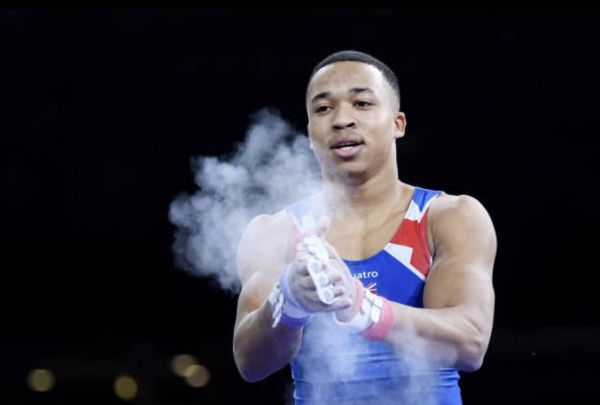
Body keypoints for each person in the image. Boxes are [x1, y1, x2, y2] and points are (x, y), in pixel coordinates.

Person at [232, 50, 497, 404]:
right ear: (310, 133)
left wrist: (364, 308)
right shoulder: (275, 233)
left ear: (397, 124)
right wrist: (289, 301)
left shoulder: (449, 217)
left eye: (362, 103)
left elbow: (471, 343)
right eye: (323, 109)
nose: (342, 119)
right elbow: (250, 364)